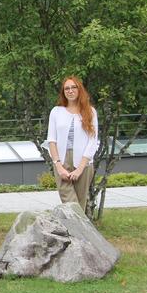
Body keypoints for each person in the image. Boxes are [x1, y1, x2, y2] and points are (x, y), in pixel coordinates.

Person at [46, 76, 98, 212]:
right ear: (63, 92)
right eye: (66, 88)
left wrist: (80, 168)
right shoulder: (56, 112)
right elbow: (51, 140)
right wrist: (59, 166)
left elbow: (93, 141)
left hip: (84, 162)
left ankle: (77, 232)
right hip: (62, 161)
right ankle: (80, 231)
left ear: (79, 89)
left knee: (80, 204)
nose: (70, 91)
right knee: (70, 205)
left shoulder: (90, 112)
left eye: (73, 87)